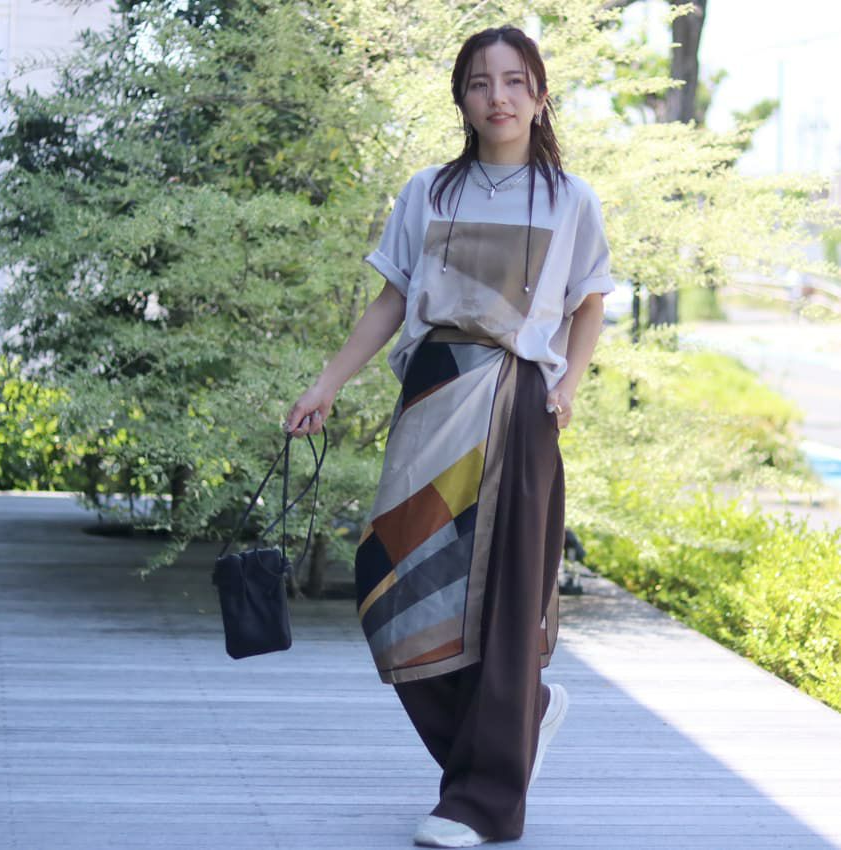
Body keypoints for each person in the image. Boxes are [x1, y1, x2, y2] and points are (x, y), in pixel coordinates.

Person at [286, 24, 614, 848]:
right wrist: (327, 383)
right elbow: (393, 299)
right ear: (461, 99)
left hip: (517, 404)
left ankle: (480, 801)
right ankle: (523, 717)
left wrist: (569, 384)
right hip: (433, 394)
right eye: (479, 82)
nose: (497, 97)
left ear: (540, 95)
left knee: (503, 600)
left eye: (514, 81)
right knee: (387, 584)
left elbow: (589, 303)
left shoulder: (570, 199)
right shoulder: (428, 190)